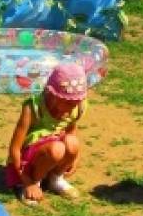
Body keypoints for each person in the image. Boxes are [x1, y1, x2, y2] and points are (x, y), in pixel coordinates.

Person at [5, 62, 87, 205]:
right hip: (28, 161)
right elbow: (15, 148)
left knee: (73, 143)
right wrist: (27, 181)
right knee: (56, 149)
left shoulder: (76, 107)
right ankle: (34, 183)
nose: (71, 109)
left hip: (51, 152)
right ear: (52, 95)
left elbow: (72, 131)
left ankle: (55, 179)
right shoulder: (33, 108)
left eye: (75, 103)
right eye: (67, 103)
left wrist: (75, 158)